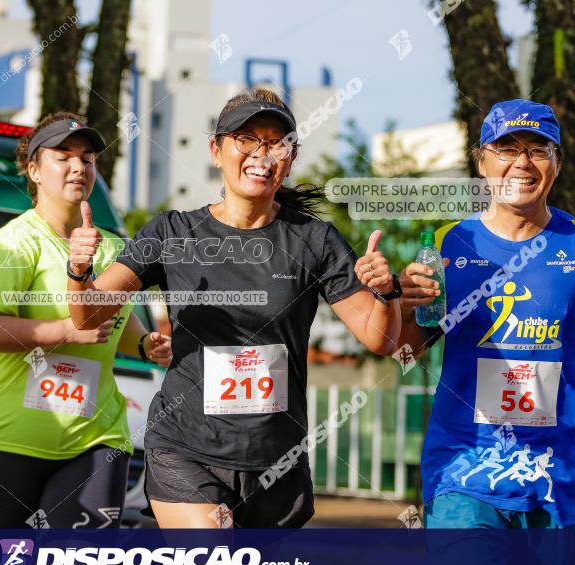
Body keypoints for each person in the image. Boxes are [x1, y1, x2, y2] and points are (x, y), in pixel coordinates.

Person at [68, 88, 401, 528]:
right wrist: (78, 269)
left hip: (276, 460)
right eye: (247, 139)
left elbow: (380, 339)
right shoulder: (172, 233)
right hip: (185, 448)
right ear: (216, 149)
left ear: (292, 155)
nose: (262, 153)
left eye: (277, 142)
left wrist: (388, 291)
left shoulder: (314, 240)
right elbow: (88, 315)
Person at [0, 112, 171, 529]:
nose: (77, 167)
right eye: (62, 156)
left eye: (87, 159)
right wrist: (64, 332)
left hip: (94, 442)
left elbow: (114, 322)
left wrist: (144, 344)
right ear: (33, 170)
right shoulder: (14, 243)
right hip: (2, 442)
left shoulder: (115, 248)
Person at [400, 99, 574, 531]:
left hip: (559, 479)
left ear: (557, 163)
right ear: (482, 164)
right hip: (465, 473)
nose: (523, 163)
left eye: (537, 149)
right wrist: (399, 304)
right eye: (507, 150)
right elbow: (404, 349)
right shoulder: (448, 244)